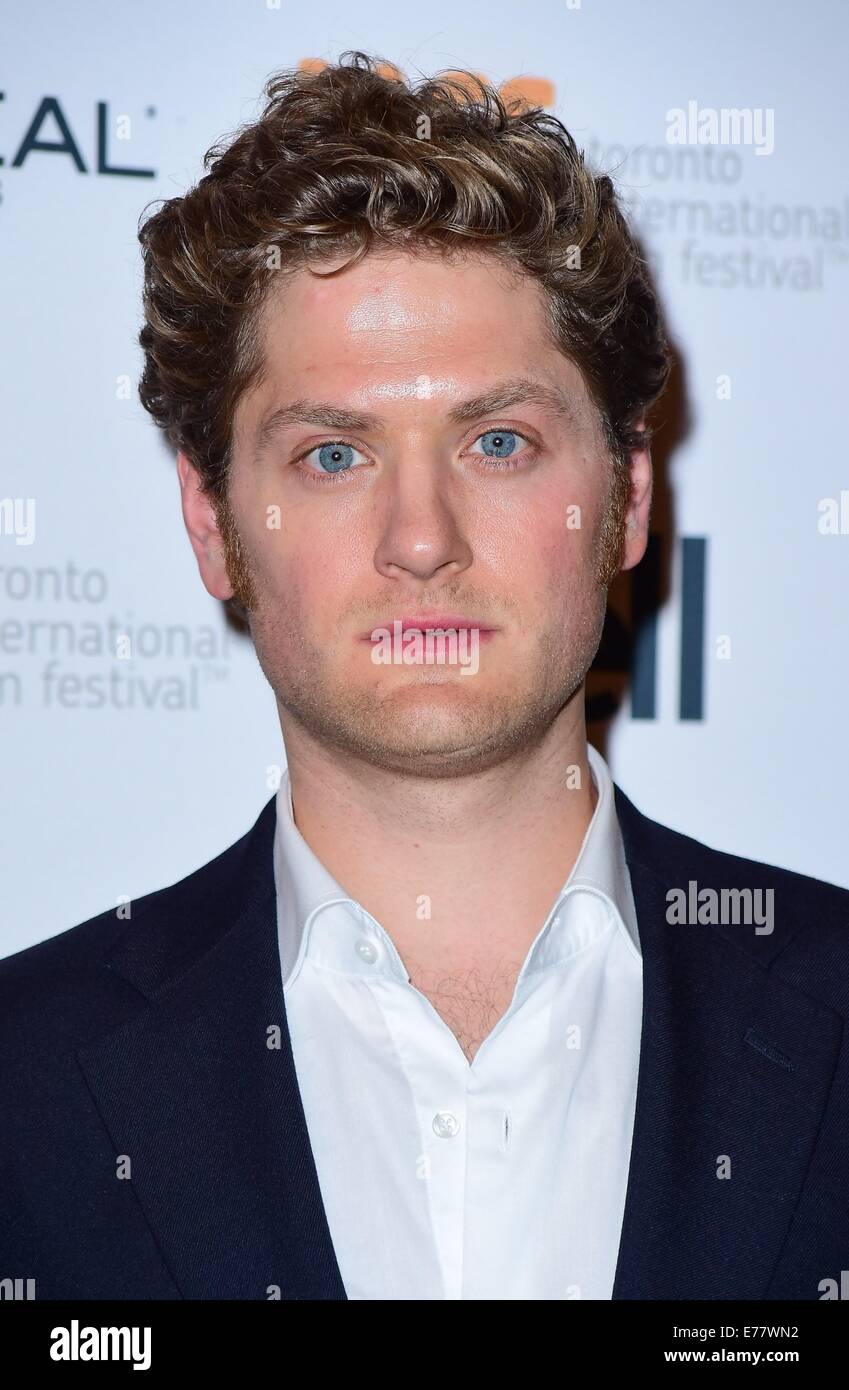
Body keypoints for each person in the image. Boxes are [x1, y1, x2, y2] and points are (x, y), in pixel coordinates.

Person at [3, 51, 848, 1302]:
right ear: (208, 519)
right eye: (334, 455)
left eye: (498, 441)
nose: (421, 539)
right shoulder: (25, 1079)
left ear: (626, 497)